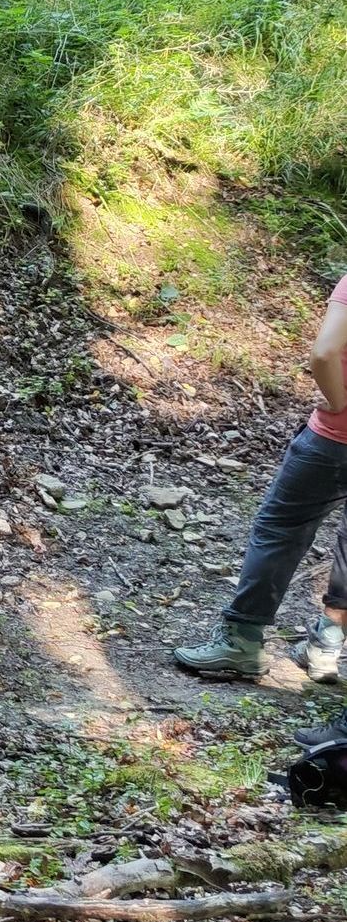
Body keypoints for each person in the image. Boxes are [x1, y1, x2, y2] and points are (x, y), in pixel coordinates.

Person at [173, 276, 347, 730]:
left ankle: (242, 640)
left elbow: (325, 353)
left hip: (335, 440)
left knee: (281, 529)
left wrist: (338, 402)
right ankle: (327, 643)